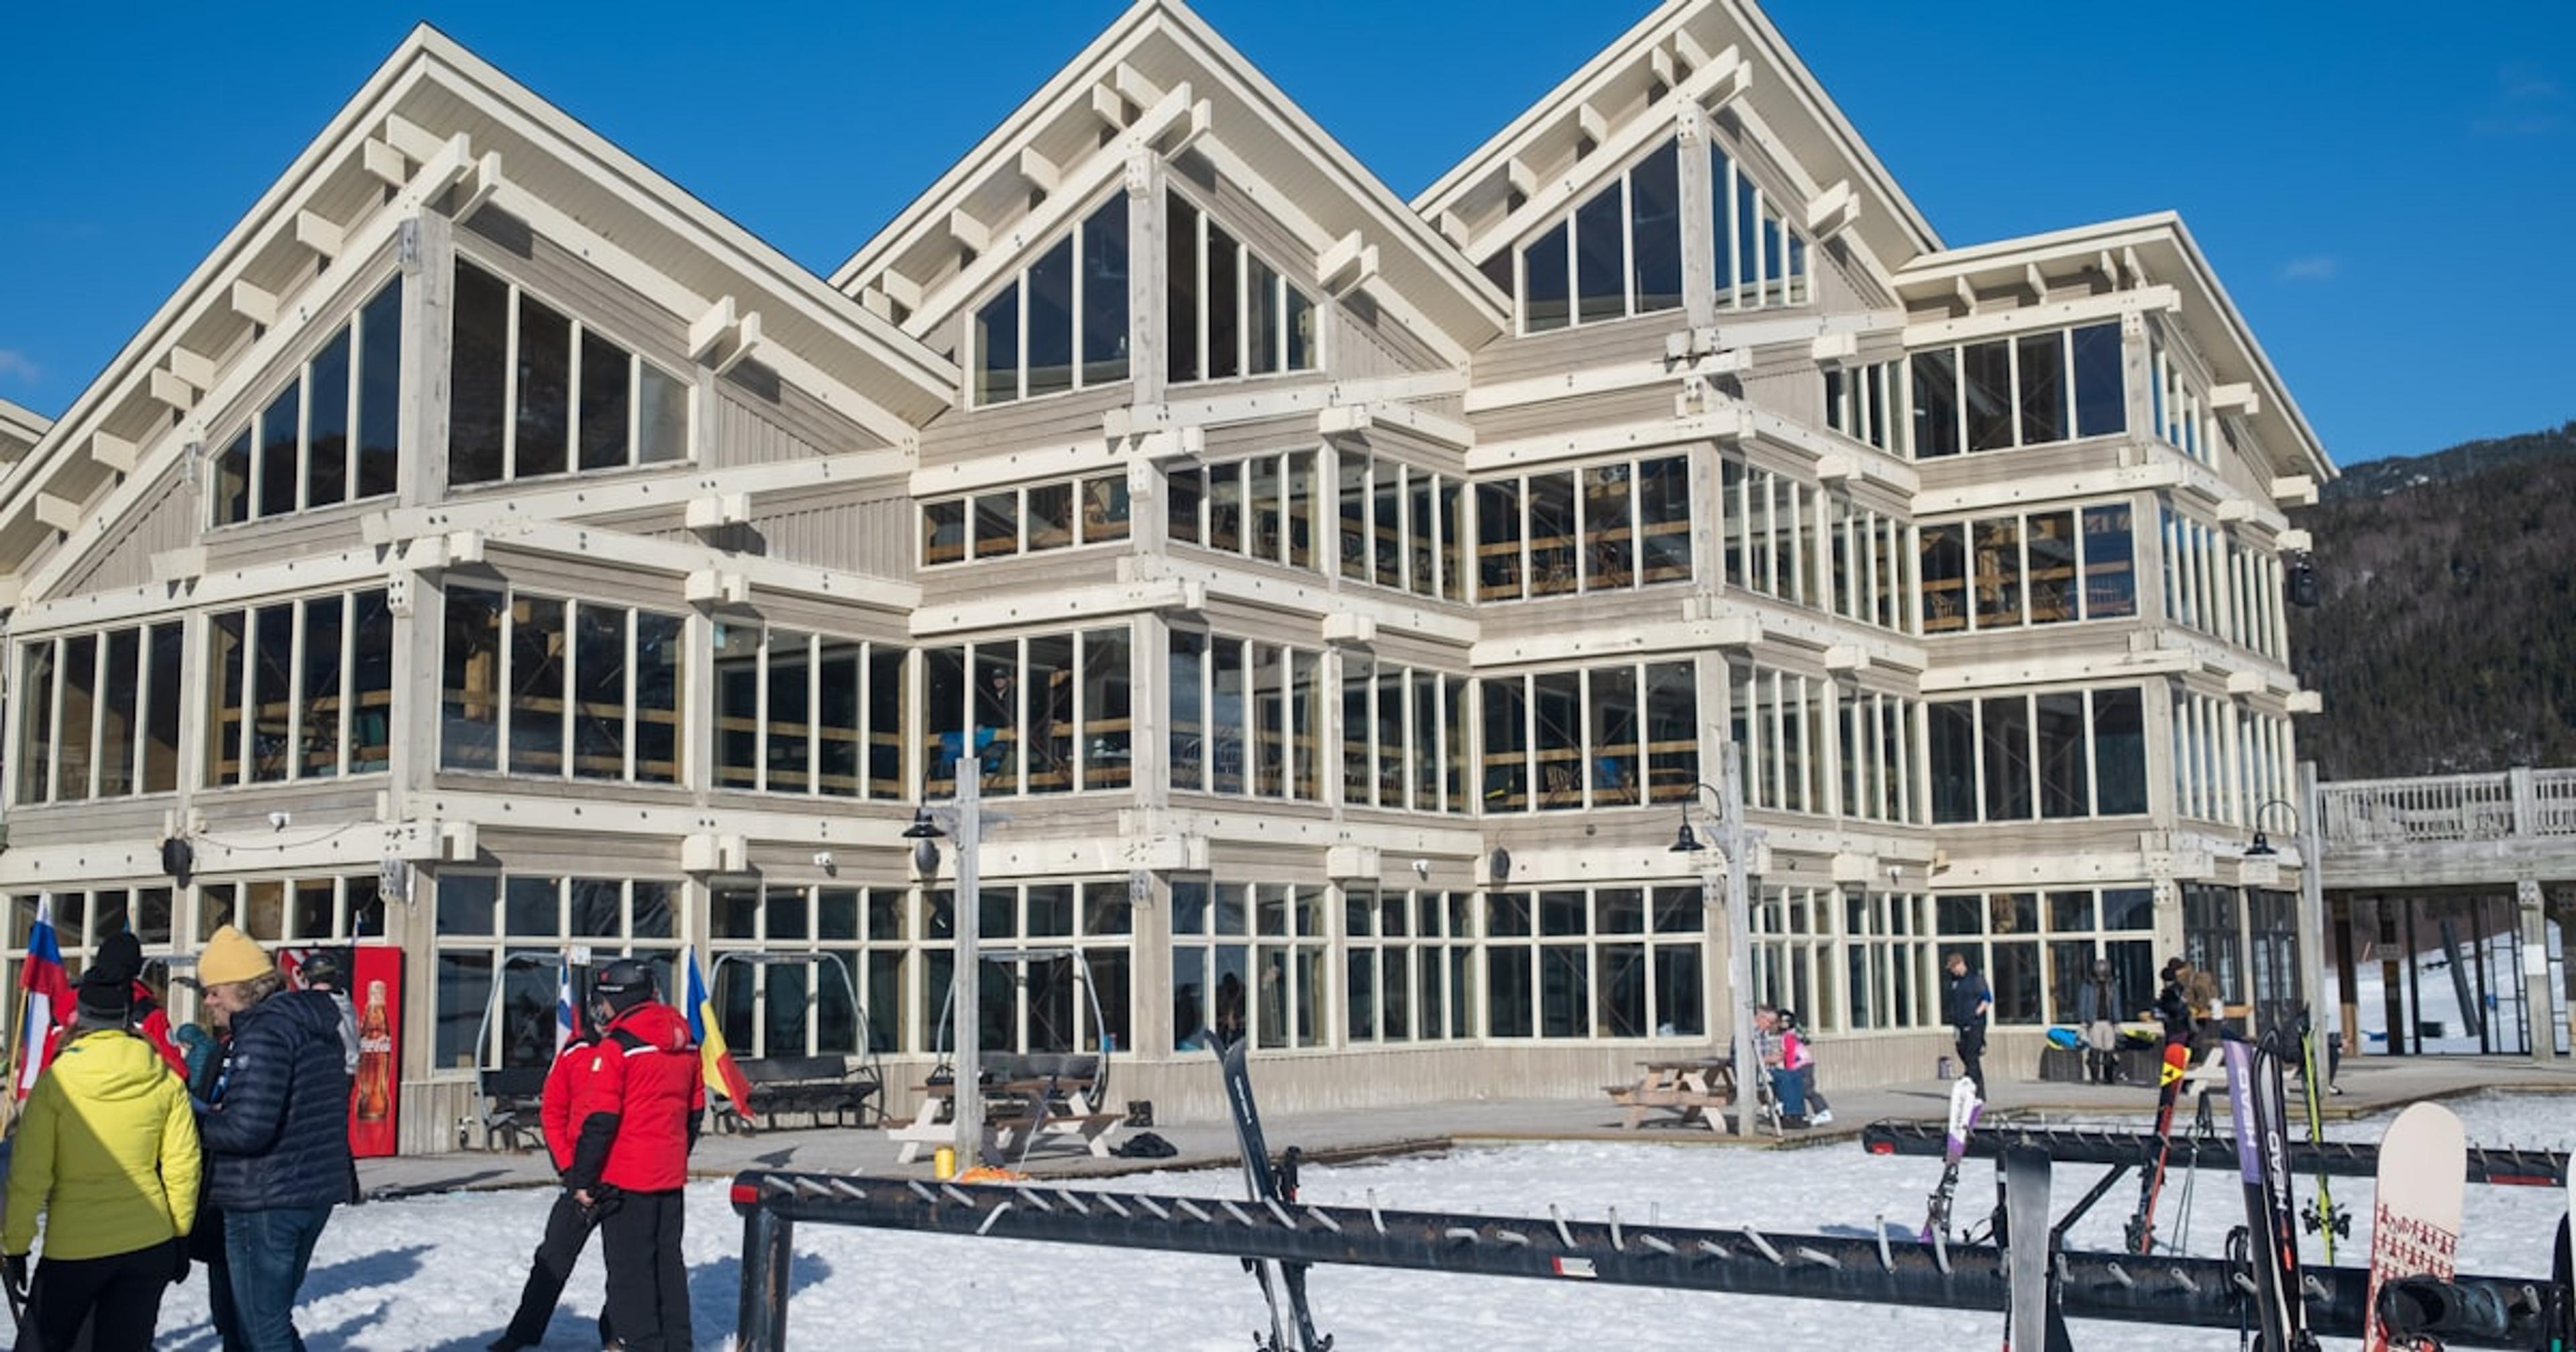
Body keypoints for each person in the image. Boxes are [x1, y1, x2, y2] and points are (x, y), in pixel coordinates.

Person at [2, 932, 201, 1352]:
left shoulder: (56, 1083)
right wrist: (180, 1235)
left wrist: (15, 1245)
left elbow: (30, 1173)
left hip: (76, 1247)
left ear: (81, 1018)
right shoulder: (164, 1078)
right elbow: (184, 1168)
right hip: (148, 1244)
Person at [195, 924, 354, 1352]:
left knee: (263, 1329)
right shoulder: (310, 1024)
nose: (208, 1001)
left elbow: (248, 1129)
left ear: (244, 987)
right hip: (308, 1190)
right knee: (257, 1324)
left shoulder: (264, 1031)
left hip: (265, 1197)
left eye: (214, 990)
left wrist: (191, 1122)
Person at [566, 960, 705, 1352]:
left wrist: (583, 1180)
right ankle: (678, 1343)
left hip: (625, 1176)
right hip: (668, 1174)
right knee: (667, 1264)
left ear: (617, 1000)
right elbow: (695, 1112)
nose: (600, 1012)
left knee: (631, 1272)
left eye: (602, 1003)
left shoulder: (619, 1048)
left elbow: (600, 1121)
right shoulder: (688, 1042)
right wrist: (675, 1153)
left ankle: (643, 1344)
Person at [492, 1009, 613, 1352]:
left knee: (623, 1265)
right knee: (552, 1257)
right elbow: (554, 1111)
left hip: (622, 1174)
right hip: (579, 1174)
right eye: (600, 1016)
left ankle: (614, 1336)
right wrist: (568, 1168)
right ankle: (523, 1332)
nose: (606, 1023)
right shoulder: (574, 1053)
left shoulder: (630, 1051)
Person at [1943, 952, 1992, 1098]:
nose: (1953, 971)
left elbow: (1987, 999)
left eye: (1954, 968)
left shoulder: (1976, 980)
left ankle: (1976, 1089)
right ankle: (1975, 1083)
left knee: (1972, 1055)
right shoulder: (1955, 982)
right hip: (1959, 1024)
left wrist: (1977, 1013)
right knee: (1962, 1052)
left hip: (1975, 1024)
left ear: (1960, 964)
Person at [1752, 1005, 1806, 1128]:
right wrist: (1769, 1059)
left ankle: (1798, 1114)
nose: (1771, 1026)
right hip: (1756, 1073)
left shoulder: (1762, 1033)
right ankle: (1788, 1114)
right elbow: (1746, 1060)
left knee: (1795, 1075)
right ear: (1761, 1018)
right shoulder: (1750, 1034)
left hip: (1767, 1068)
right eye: (1770, 1022)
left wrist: (1775, 1056)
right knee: (1785, 1078)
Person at [1778, 1009, 1831, 1125]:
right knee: (1799, 1091)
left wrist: (1789, 1070)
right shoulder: (1790, 1035)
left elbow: (1790, 1054)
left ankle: (1823, 1111)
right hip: (1803, 1065)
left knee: (1807, 1090)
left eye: (1782, 1022)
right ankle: (1802, 1113)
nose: (1779, 1024)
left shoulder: (1788, 1037)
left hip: (1802, 1066)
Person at [2076, 959, 2123, 1085]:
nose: (2101, 977)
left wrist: (2117, 1020)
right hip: (2094, 1021)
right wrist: (2083, 1020)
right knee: (2095, 1049)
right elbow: (2083, 1002)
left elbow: (2116, 1003)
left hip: (2109, 1021)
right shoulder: (2088, 985)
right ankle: (2095, 1077)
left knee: (2110, 1050)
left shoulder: (2112, 985)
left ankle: (2109, 1077)